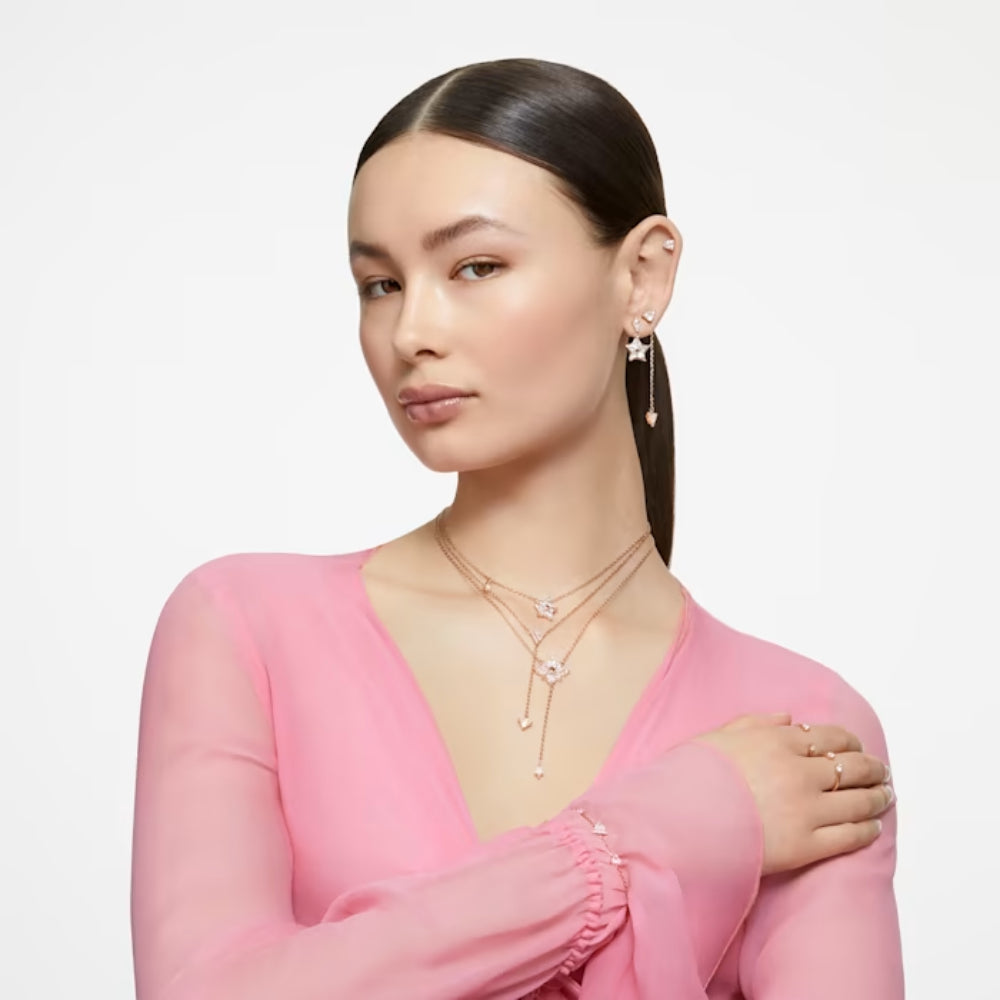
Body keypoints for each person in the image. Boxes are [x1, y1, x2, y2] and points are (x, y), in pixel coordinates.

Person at [129, 57, 903, 999]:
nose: (411, 331)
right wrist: (636, 842)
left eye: (476, 267)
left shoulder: (800, 728)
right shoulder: (245, 629)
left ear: (643, 275)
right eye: (380, 284)